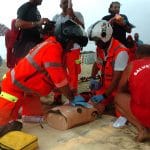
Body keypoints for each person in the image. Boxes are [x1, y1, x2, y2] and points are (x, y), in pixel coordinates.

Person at [0, 19, 88, 137]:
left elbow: (59, 75)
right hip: (13, 90)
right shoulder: (52, 49)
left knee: (33, 121)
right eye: (72, 42)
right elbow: (60, 81)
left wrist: (71, 90)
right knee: (4, 127)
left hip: (28, 91)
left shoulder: (55, 48)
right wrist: (72, 98)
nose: (73, 46)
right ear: (65, 38)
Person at [87, 20, 129, 115]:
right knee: (91, 106)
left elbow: (116, 79)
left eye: (97, 41)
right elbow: (96, 64)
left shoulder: (121, 52)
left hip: (118, 90)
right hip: (105, 88)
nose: (96, 44)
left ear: (105, 36)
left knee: (118, 112)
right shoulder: (100, 49)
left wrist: (104, 96)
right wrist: (92, 78)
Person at [114, 44, 150, 142]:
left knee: (118, 98)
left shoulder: (132, 65)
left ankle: (143, 130)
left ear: (137, 55)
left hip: (146, 116)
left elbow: (120, 89)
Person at [52, 0, 85, 104]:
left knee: (73, 73)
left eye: (67, 2)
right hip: (60, 50)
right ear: (60, 5)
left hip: (74, 49)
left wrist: (73, 16)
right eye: (64, 2)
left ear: (71, 4)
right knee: (58, 72)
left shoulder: (78, 14)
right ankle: (57, 97)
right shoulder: (56, 17)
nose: (66, 4)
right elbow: (53, 32)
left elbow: (82, 28)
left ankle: (73, 96)